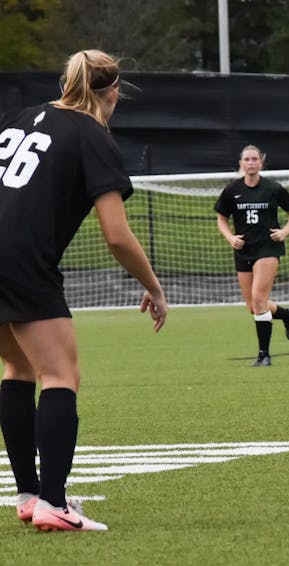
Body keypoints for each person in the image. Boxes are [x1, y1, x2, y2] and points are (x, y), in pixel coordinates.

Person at [0, 49, 168, 532]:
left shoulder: (16, 117)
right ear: (112, 92)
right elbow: (116, 235)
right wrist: (154, 288)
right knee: (60, 375)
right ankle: (54, 502)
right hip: (22, 259)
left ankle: (30, 495)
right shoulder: (92, 134)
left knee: (18, 366)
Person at [215, 146, 289, 366]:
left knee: (259, 299)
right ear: (241, 164)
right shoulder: (232, 190)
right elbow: (222, 219)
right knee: (253, 306)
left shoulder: (272, 188)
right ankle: (286, 315)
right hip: (244, 250)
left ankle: (264, 355)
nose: (251, 163)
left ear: (261, 163)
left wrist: (284, 232)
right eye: (247, 159)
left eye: (255, 159)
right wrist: (230, 238)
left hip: (267, 249)